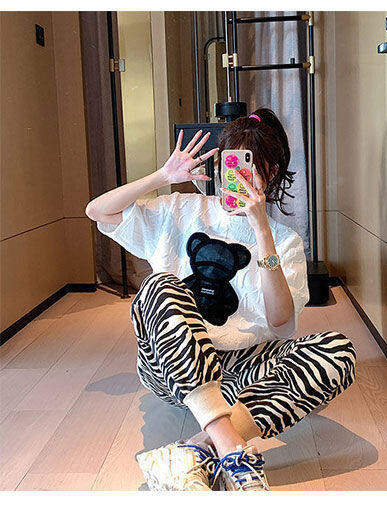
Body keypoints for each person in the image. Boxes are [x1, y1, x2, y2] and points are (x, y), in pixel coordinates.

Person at [85, 108, 356, 491]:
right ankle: (231, 448)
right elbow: (97, 211)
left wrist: (262, 231)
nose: (241, 178)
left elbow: (280, 320)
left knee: (338, 350)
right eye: (235, 165)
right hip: (173, 368)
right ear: (220, 164)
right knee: (159, 284)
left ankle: (196, 449)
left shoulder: (284, 241)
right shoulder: (180, 209)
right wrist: (163, 177)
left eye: (253, 169)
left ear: (272, 174)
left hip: (240, 370)